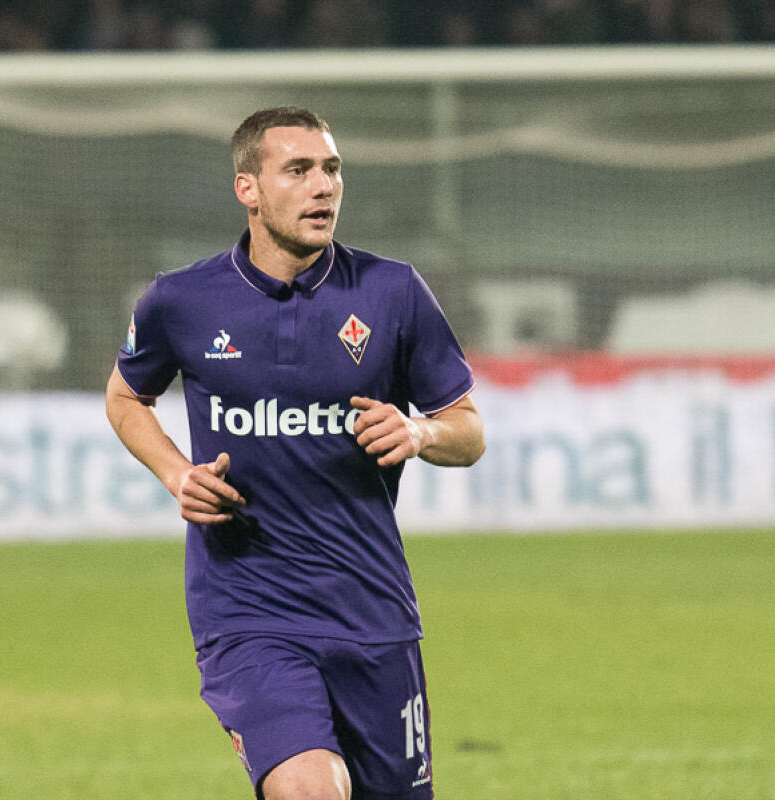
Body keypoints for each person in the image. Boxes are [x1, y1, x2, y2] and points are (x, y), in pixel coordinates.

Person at [105, 106, 484, 800]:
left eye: (332, 170)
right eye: (300, 170)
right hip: (247, 612)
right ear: (248, 188)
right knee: (311, 788)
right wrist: (175, 472)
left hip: (371, 609)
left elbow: (468, 428)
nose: (324, 188)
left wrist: (421, 433)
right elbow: (126, 397)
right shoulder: (181, 300)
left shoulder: (392, 291)